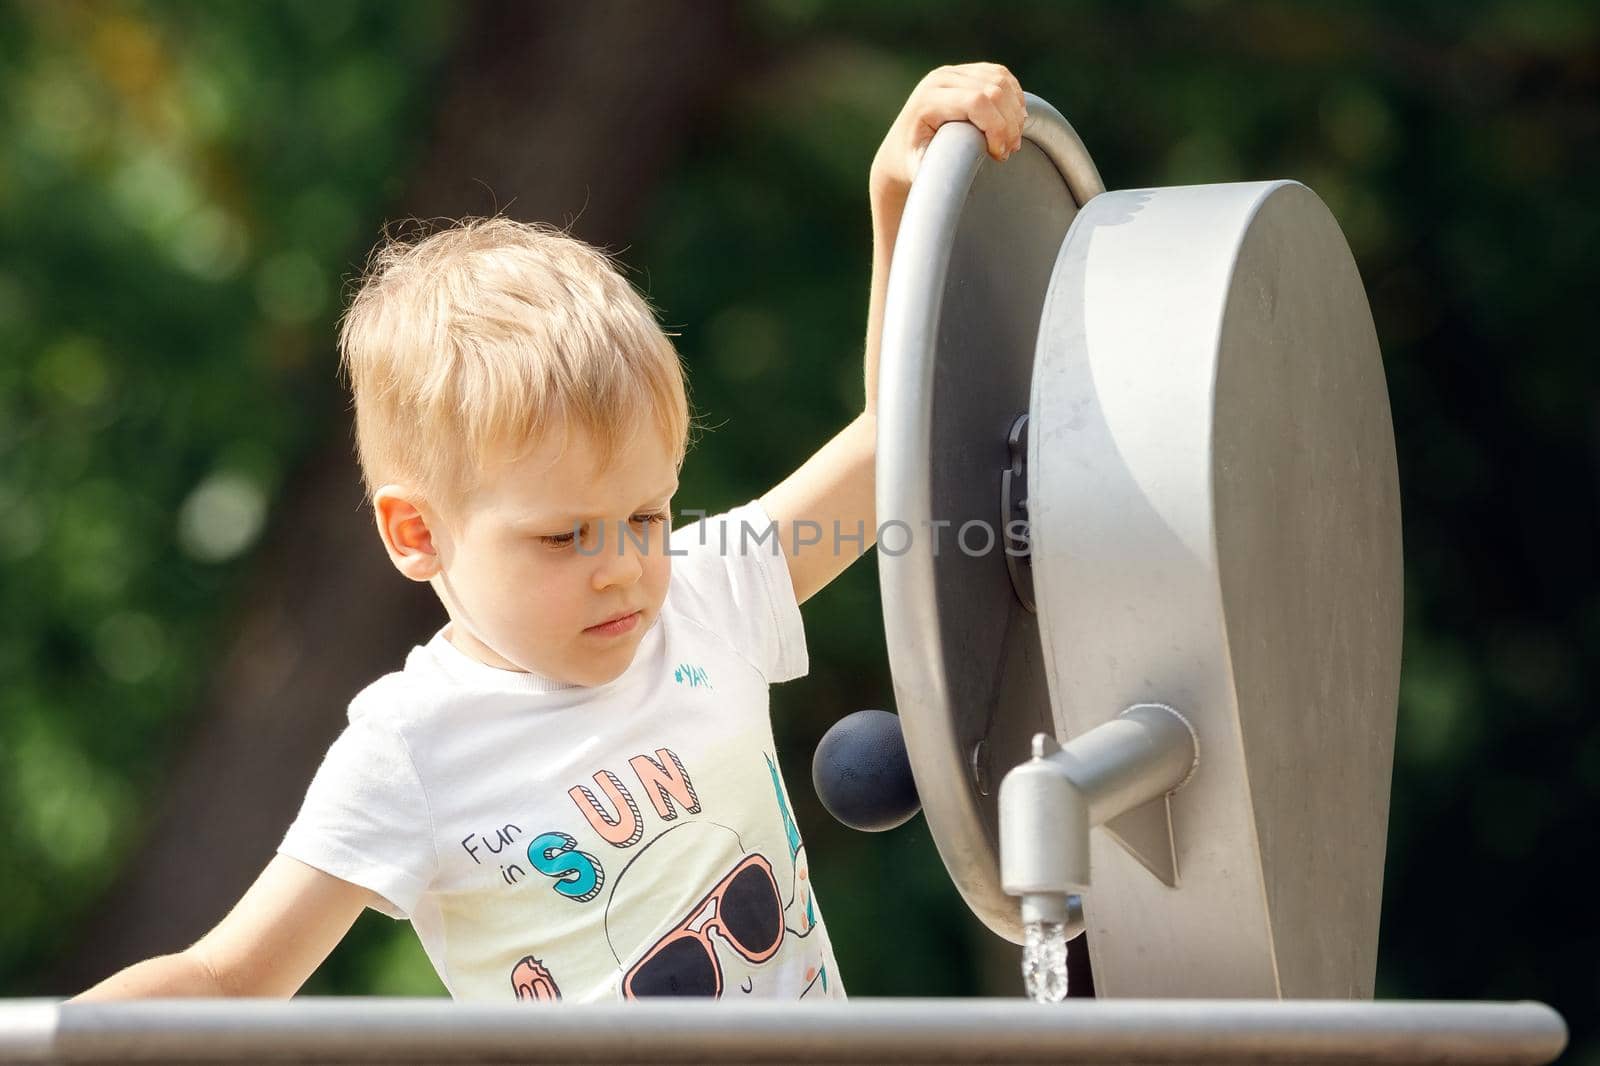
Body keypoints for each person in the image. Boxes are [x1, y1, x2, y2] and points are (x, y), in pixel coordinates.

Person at [73, 62, 1027, 1002]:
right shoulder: (414, 747)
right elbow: (226, 977)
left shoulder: (706, 596)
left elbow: (897, 443)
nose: (623, 569)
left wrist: (896, 202)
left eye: (648, 516)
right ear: (417, 533)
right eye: (565, 537)